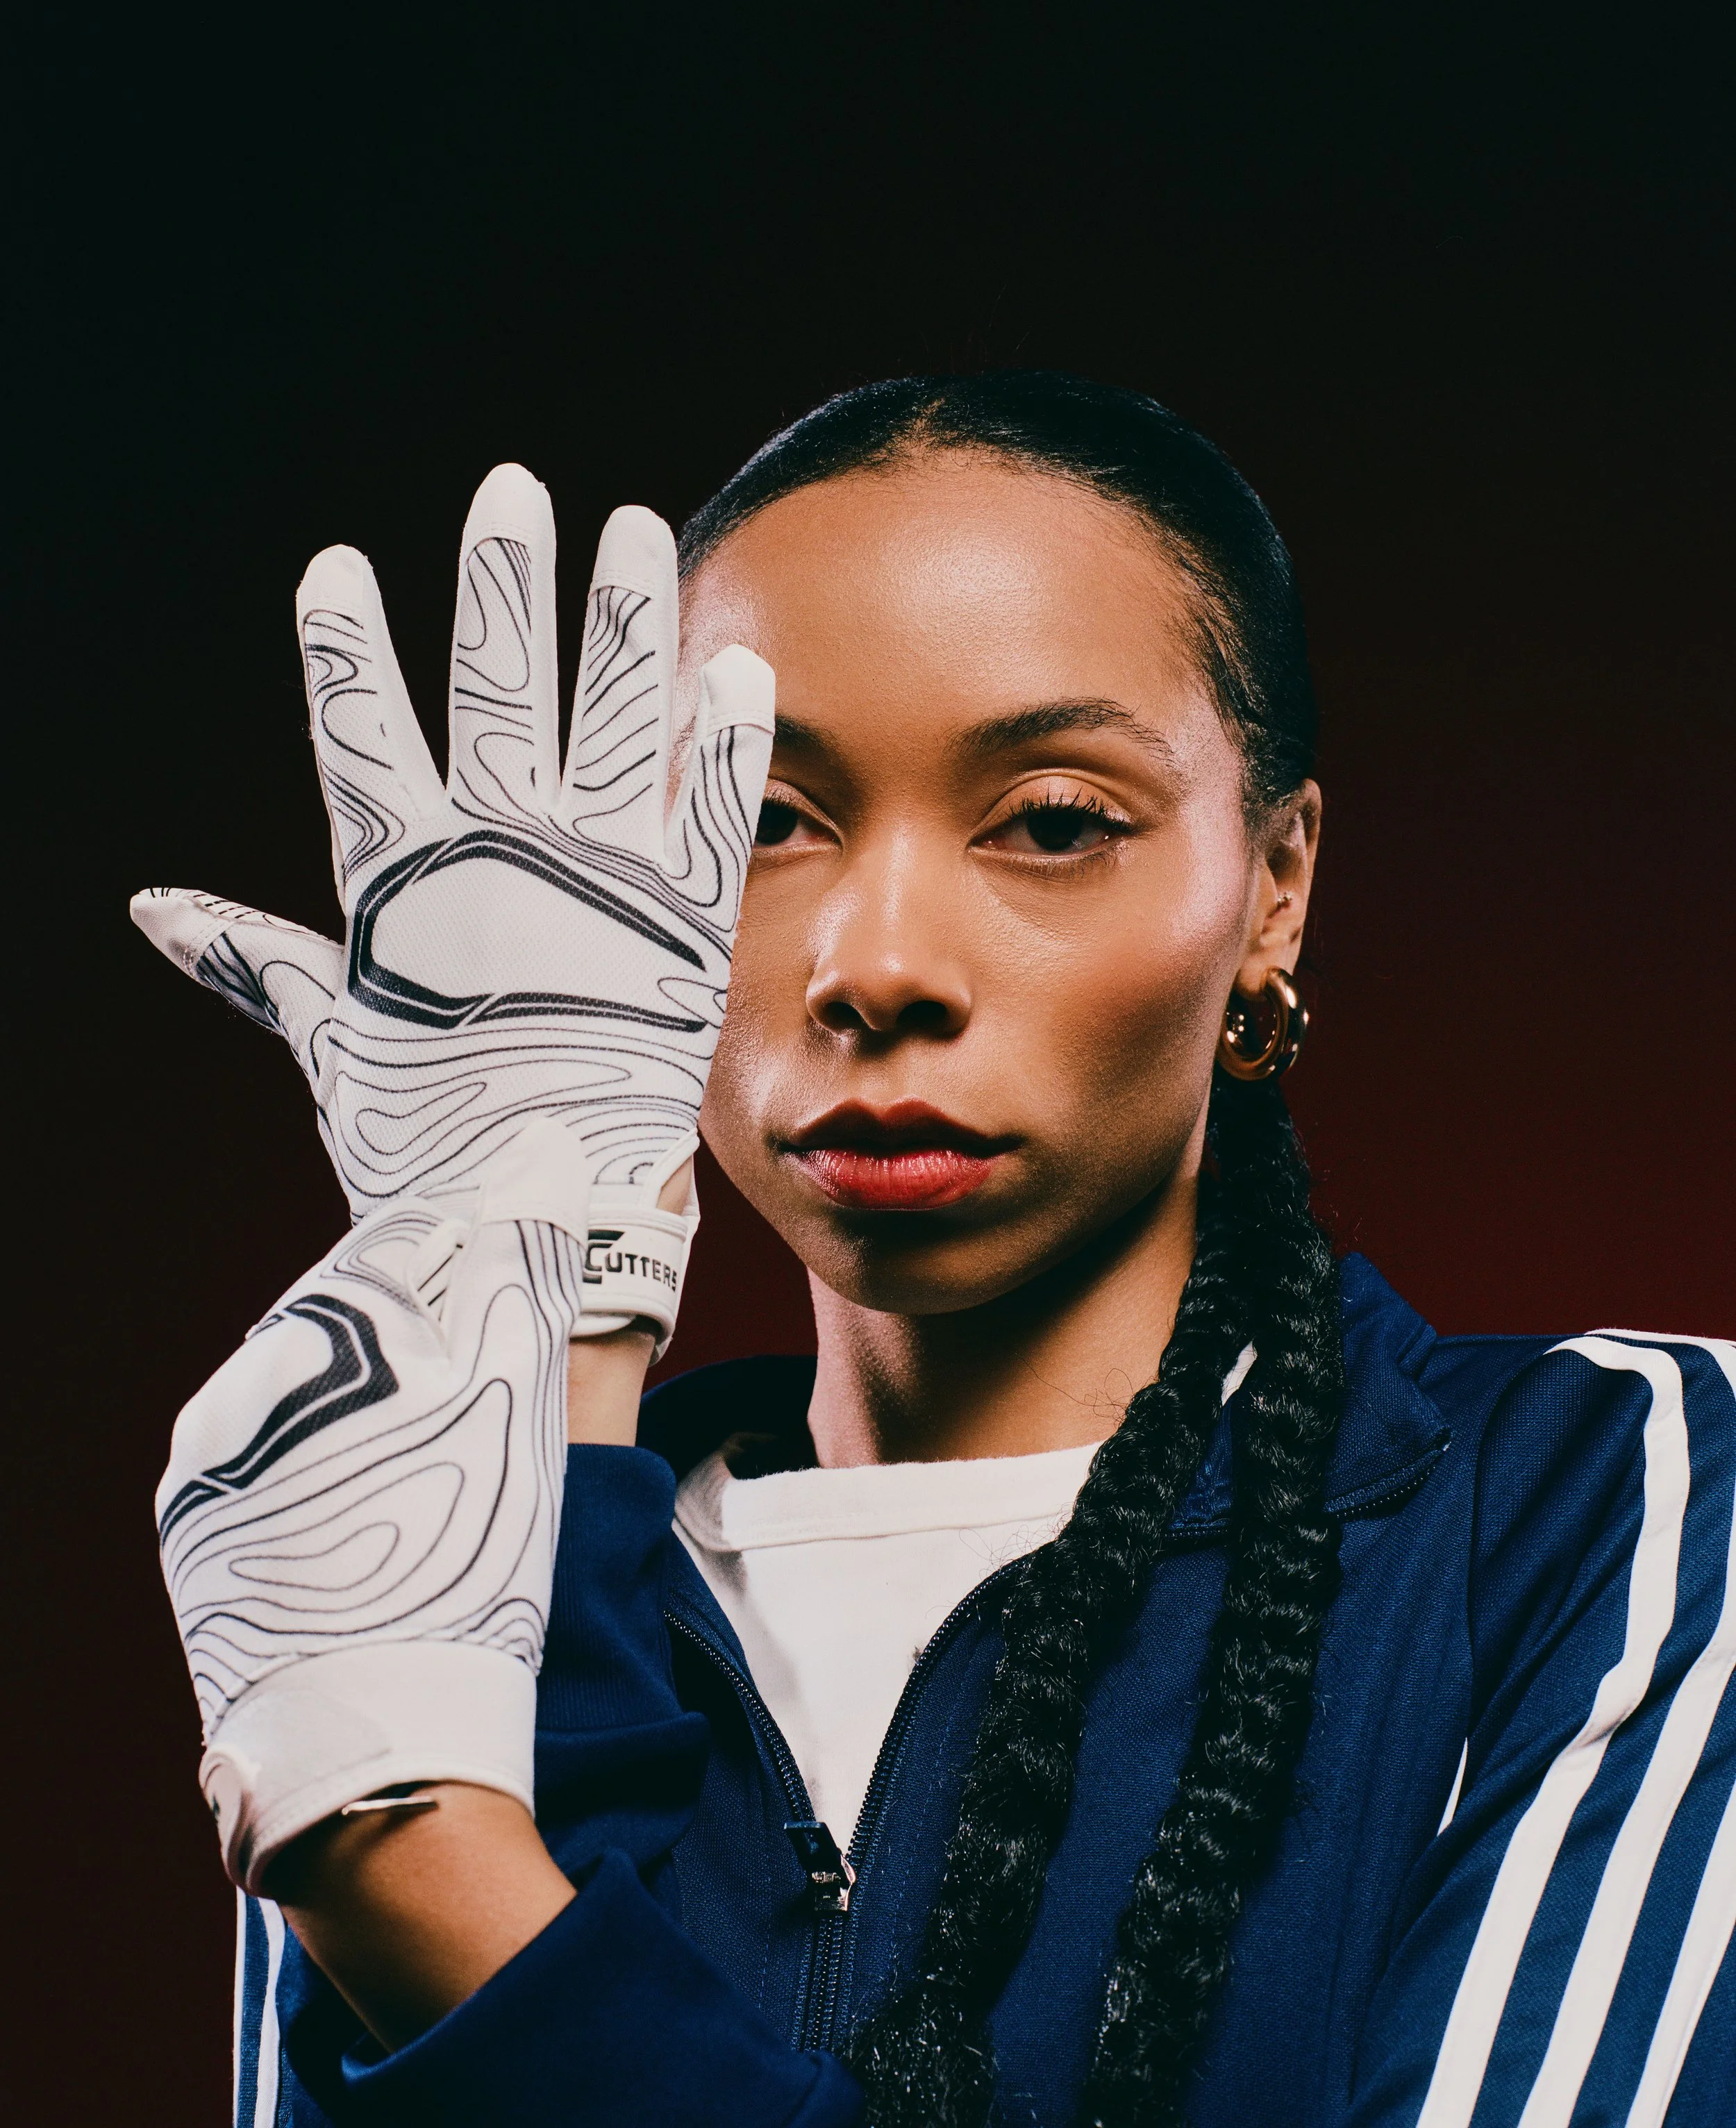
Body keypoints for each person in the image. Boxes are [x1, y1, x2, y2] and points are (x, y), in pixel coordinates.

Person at [134, 374, 1733, 2128]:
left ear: (1275, 879)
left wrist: (442, 1891)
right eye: (755, 818)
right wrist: (550, 1342)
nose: (873, 962)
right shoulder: (402, 1603)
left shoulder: (1618, 1500)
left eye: (1051, 819)